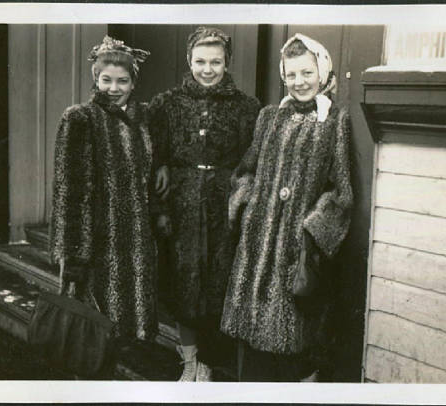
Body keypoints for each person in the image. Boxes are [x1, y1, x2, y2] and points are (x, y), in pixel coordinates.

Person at [221, 33, 353, 382]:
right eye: (291, 74)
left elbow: (340, 191)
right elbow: (245, 170)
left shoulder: (335, 121)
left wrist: (311, 229)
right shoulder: (269, 117)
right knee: (251, 345)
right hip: (257, 246)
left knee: (290, 339)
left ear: (322, 72)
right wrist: (246, 205)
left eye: (307, 73)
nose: (300, 82)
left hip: (294, 249)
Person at [149, 27, 261, 381]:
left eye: (216, 61)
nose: (207, 69)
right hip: (181, 204)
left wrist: (240, 201)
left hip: (223, 206)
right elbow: (154, 157)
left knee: (218, 282)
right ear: (188, 60)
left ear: (227, 62)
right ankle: (189, 361)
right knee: (183, 282)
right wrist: (162, 202)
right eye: (200, 61)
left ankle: (209, 362)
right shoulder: (166, 104)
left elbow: (253, 161)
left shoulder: (247, 107)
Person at [50, 36, 161, 342]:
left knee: (126, 333)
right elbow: (69, 192)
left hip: (135, 241)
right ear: (95, 79)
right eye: (106, 80)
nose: (114, 89)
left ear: (133, 82)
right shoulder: (81, 118)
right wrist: (73, 255)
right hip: (97, 243)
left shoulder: (143, 119)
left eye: (122, 81)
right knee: (91, 331)